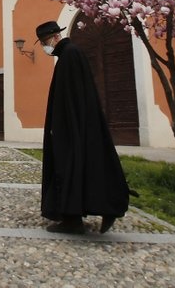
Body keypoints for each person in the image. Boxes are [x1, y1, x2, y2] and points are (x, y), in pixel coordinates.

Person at [36, 20, 131, 234]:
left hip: (71, 128)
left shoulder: (69, 55)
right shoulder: (70, 54)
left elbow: (69, 98)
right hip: (76, 126)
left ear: (55, 37)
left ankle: (73, 219)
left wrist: (61, 127)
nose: (45, 47)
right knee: (84, 167)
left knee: (69, 167)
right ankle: (82, 214)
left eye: (44, 41)